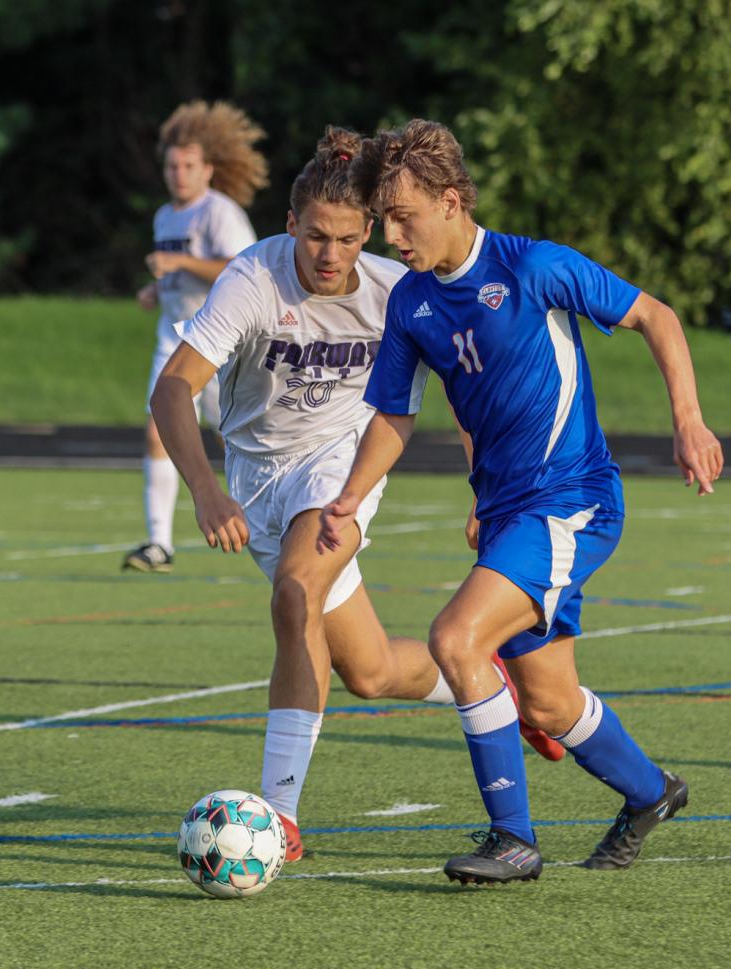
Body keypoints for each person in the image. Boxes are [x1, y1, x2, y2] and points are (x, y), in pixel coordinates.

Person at [320, 120, 725, 884]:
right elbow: (395, 416)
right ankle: (650, 792)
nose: (393, 237)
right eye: (387, 222)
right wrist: (349, 496)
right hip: (509, 514)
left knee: (455, 639)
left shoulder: (532, 266)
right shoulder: (408, 304)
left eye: (404, 218)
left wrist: (688, 421)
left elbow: (655, 317)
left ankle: (512, 837)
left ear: (450, 201)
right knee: (546, 702)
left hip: (570, 500)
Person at [151, 127, 560, 864]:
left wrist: (482, 489)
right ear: (289, 227)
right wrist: (207, 491)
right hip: (254, 480)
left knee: (294, 592)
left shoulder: (394, 291)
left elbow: (462, 388)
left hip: (339, 470)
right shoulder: (252, 278)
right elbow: (172, 388)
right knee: (368, 672)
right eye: (314, 237)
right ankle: (491, 685)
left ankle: (279, 818)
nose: (328, 255)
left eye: (344, 238)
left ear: (367, 231)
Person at [124, 101, 267, 574]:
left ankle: (264, 520)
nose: (179, 175)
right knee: (158, 432)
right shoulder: (165, 216)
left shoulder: (220, 212)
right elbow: (177, 277)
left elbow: (244, 272)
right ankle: (158, 543)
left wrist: (180, 265)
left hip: (220, 345)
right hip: (174, 339)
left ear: (208, 169)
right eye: (171, 166)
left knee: (235, 440)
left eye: (188, 166)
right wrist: (155, 288)